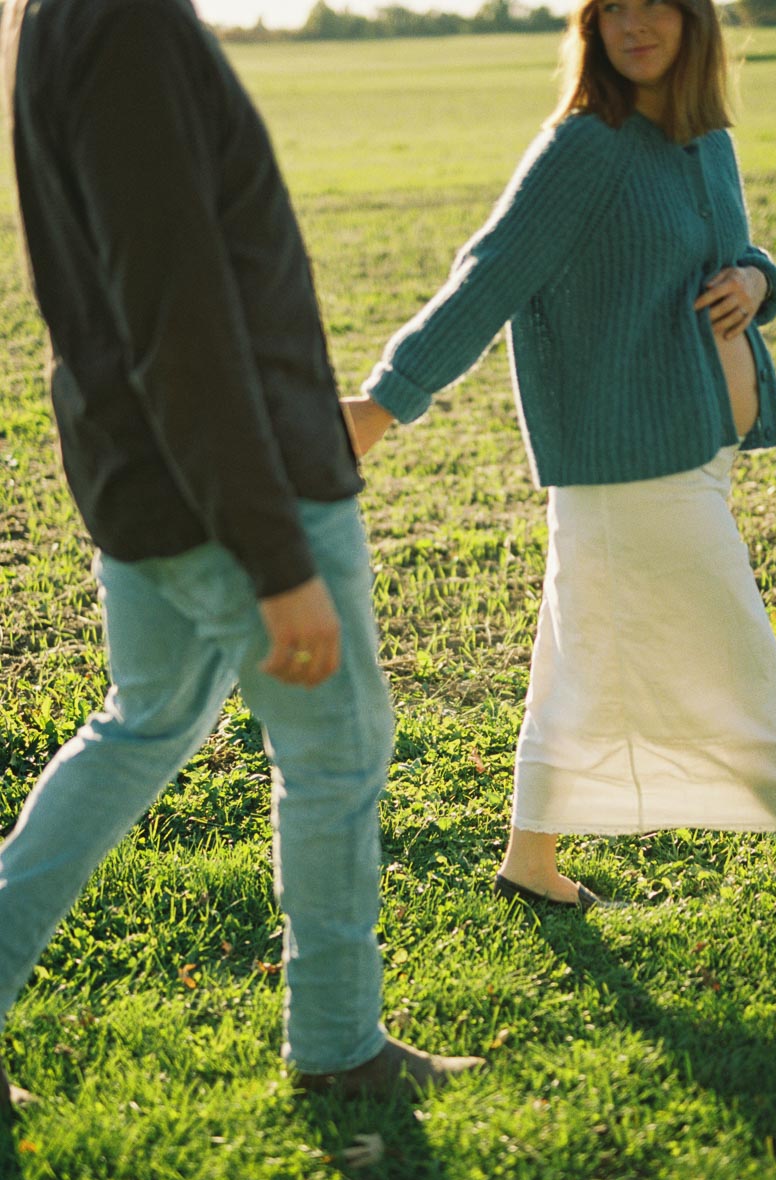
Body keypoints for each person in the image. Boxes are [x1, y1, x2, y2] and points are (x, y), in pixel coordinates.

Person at [0, 0, 483, 1121]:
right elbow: (180, 313)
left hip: (148, 473)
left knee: (140, 729)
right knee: (338, 749)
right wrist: (277, 560)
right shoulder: (126, 27)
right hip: (231, 486)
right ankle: (337, 1046)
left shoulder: (62, 20)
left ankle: (336, 1037)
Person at [344, 0, 776, 912]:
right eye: (614, 9)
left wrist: (762, 279)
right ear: (591, 27)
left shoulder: (699, 136)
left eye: (656, 5)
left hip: (695, 447)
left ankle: (530, 856)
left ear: (694, 19)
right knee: (735, 647)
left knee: (580, 655)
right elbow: (489, 277)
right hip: (627, 462)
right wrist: (383, 403)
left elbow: (730, 253)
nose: (635, 24)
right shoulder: (585, 147)